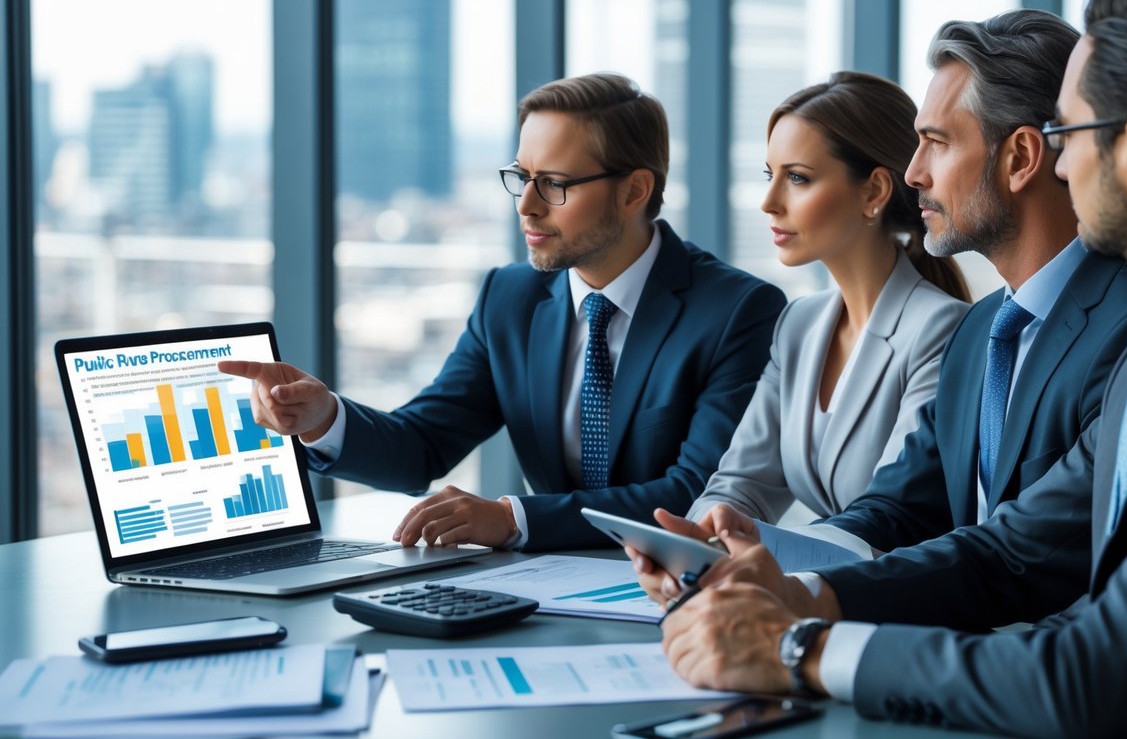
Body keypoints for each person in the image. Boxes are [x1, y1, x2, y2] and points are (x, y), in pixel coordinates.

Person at [661, 0, 1127, 737]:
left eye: (1068, 135)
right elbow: (1008, 552)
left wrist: (801, 647)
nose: (1059, 165)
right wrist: (808, 596)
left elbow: (1091, 669)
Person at [633, 8, 1127, 601]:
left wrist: (811, 599)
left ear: (1022, 158)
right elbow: (898, 508)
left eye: (935, 143)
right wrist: (758, 553)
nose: (913, 173)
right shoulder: (983, 331)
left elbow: (1013, 550)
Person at [221, 72, 786, 551]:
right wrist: (323, 418)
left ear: (635, 190)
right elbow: (422, 446)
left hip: (680, 594)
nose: (527, 204)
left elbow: (697, 494)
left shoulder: (739, 312)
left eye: (554, 184)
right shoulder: (510, 298)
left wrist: (514, 519)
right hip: (545, 589)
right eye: (521, 177)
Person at [682, 72, 969, 528]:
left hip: (889, 589)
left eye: (797, 178)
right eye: (769, 175)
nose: (769, 202)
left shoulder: (943, 330)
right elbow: (741, 483)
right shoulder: (800, 323)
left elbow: (892, 516)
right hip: (812, 583)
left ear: (874, 191)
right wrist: (699, 540)